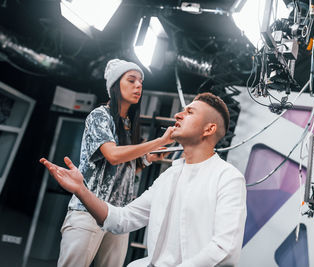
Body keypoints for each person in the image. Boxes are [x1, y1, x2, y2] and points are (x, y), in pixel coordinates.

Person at [41, 92, 247, 267]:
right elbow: (121, 220)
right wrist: (81, 190)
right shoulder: (169, 177)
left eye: (189, 112)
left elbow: (225, 249)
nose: (178, 115)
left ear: (209, 129)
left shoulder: (228, 178)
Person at [56, 59, 175, 267]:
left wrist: (147, 159)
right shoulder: (99, 116)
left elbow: (121, 168)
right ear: (115, 85)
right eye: (131, 80)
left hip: (119, 216)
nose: (138, 85)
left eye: (140, 82)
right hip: (88, 212)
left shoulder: (129, 124)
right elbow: (112, 155)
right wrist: (159, 141)